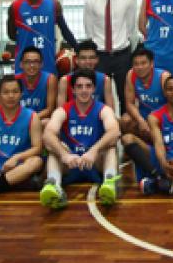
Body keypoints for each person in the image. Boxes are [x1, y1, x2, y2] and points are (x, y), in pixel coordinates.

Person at [41, 69, 122, 208]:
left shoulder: (103, 109)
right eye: (79, 86)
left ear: (94, 88)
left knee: (111, 146)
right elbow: (47, 134)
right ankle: (54, 184)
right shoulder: (63, 110)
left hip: (94, 162)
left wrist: (93, 151)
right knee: (55, 147)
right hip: (71, 162)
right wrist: (65, 155)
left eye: (88, 86)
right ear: (72, 89)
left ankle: (109, 182)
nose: (84, 90)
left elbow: (115, 132)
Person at [84, 0, 137, 114]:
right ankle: (102, 128)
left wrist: (128, 50)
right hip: (100, 56)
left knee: (124, 95)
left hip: (122, 54)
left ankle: (127, 130)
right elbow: (89, 31)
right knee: (99, 95)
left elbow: (131, 28)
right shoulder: (91, 1)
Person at [8, 0, 77, 75]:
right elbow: (11, 35)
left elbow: (65, 30)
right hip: (24, 62)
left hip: (47, 61)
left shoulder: (54, 4)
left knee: (49, 91)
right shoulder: (15, 6)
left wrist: (78, 48)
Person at [120, 47, 170, 143]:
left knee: (156, 137)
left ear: (151, 64)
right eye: (136, 64)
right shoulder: (131, 74)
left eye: (143, 63)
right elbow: (129, 104)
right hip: (144, 115)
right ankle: (131, 150)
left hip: (163, 116)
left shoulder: (163, 77)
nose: (140, 67)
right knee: (125, 120)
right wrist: (141, 120)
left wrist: (154, 121)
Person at [57, 40, 113, 111]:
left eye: (91, 58)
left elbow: (111, 111)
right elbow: (59, 111)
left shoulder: (105, 80)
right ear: (76, 60)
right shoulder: (65, 80)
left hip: (97, 120)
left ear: (97, 60)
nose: (87, 62)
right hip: (72, 120)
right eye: (83, 58)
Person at [16, 46, 57, 124]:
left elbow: (50, 109)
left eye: (36, 62)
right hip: (19, 121)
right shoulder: (14, 80)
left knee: (47, 122)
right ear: (21, 64)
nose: (32, 65)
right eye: (28, 62)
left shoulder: (50, 79)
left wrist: (30, 120)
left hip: (40, 120)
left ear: (41, 64)